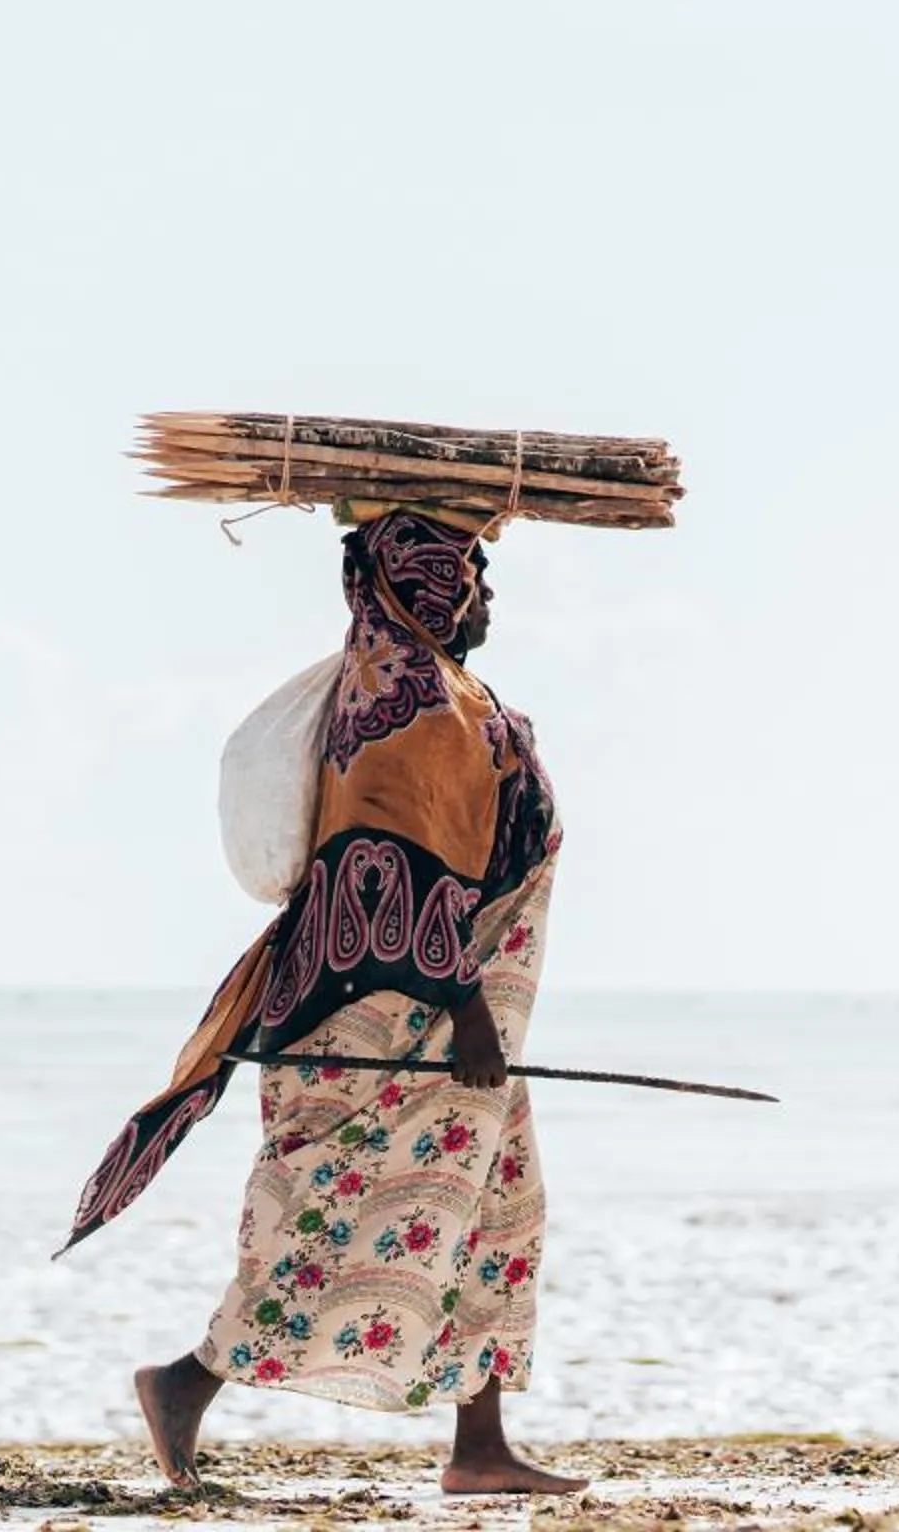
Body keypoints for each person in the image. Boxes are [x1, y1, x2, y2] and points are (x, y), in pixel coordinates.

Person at [61, 506, 582, 1496]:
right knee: (339, 1206)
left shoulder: (440, 688)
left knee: (493, 1202)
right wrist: (467, 1010)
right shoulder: (407, 697)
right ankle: (186, 1380)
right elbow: (392, 864)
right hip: (397, 1013)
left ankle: (480, 1445)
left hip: (454, 1013)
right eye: (469, 572)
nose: (487, 593)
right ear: (425, 583)